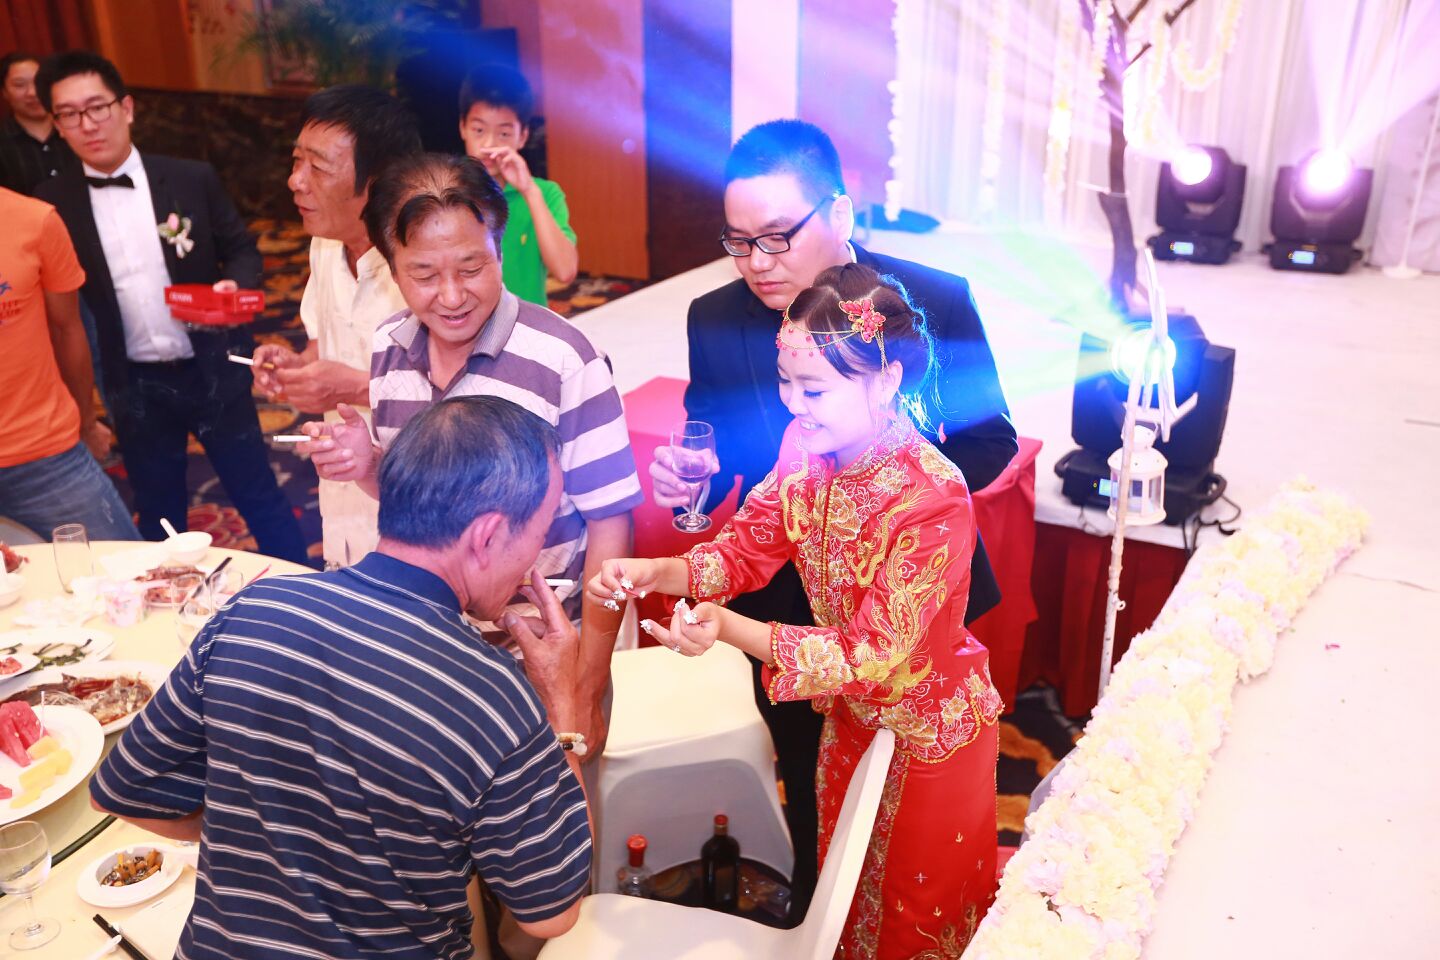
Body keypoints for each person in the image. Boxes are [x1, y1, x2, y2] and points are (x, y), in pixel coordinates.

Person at [647, 119, 1015, 916]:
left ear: (840, 212)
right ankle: (820, 914)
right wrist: (693, 486)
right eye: (738, 242)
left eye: (777, 237)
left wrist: (882, 485)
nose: (757, 262)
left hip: (911, 604)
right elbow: (719, 462)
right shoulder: (715, 317)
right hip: (782, 602)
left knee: (914, 835)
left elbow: (992, 441)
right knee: (815, 791)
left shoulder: (932, 300)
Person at [90, 395, 593, 959]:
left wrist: (269, 839)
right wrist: (561, 705)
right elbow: (553, 910)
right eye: (539, 533)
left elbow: (124, 791)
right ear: (487, 535)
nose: (535, 559)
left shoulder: (253, 609)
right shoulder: (494, 697)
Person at [593, 263, 1001, 958]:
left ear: (886, 380)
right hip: (846, 724)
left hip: (927, 740)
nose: (794, 404)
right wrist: (659, 570)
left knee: (909, 926)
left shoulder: (932, 497)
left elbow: (871, 653)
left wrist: (730, 628)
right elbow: (746, 548)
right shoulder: (806, 451)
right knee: (842, 909)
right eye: (786, 382)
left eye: (813, 389)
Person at [303, 152, 641, 761]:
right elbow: (418, 512)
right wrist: (370, 466)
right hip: (434, 656)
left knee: (557, 813)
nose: (453, 296)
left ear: (500, 250)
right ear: (391, 267)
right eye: (424, 274)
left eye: (472, 267)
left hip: (543, 652)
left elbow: (610, 526)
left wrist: (587, 681)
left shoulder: (565, 360)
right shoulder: (389, 349)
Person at [34, 51, 307, 563]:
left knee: (257, 492)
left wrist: (232, 285)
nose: (87, 124)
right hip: (133, 383)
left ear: (127, 108)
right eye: (69, 114)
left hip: (212, 366)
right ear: (57, 125)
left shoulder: (188, 178)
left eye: (97, 107)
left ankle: (303, 588)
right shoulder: (52, 204)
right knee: (159, 510)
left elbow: (243, 249)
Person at [251, 85, 422, 568]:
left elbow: (464, 393)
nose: (295, 181)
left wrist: (352, 387)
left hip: (419, 499)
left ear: (378, 181)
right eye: (296, 161)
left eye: (319, 167)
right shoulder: (324, 245)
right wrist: (296, 367)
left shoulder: (425, 264)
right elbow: (321, 347)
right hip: (341, 496)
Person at [0, 186, 138, 540]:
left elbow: (67, 330)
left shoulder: (35, 220)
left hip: (41, 452)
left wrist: (86, 424)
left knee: (124, 567)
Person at [458, 64, 577, 305]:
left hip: (527, 325)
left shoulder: (545, 193)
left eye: (503, 134)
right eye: (479, 130)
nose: (489, 145)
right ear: (463, 128)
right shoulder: (445, 190)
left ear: (522, 136)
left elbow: (565, 271)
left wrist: (529, 191)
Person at [0, 51, 77, 195]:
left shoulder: (77, 127)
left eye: (38, 82)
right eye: (19, 85)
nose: (32, 92)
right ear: (4, 92)